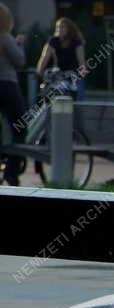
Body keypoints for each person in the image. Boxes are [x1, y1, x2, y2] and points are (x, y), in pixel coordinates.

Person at [0, 2, 26, 186]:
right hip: (7, 86)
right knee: (20, 126)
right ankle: (11, 171)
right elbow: (20, 60)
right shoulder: (4, 37)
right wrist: (19, 45)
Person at [36, 17, 87, 99]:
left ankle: (78, 104)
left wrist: (81, 75)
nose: (60, 29)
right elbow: (44, 58)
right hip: (57, 74)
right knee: (45, 92)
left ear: (69, 29)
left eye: (63, 27)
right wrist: (40, 73)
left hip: (73, 74)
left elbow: (81, 62)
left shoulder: (76, 42)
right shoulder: (53, 40)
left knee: (78, 95)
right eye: (58, 27)